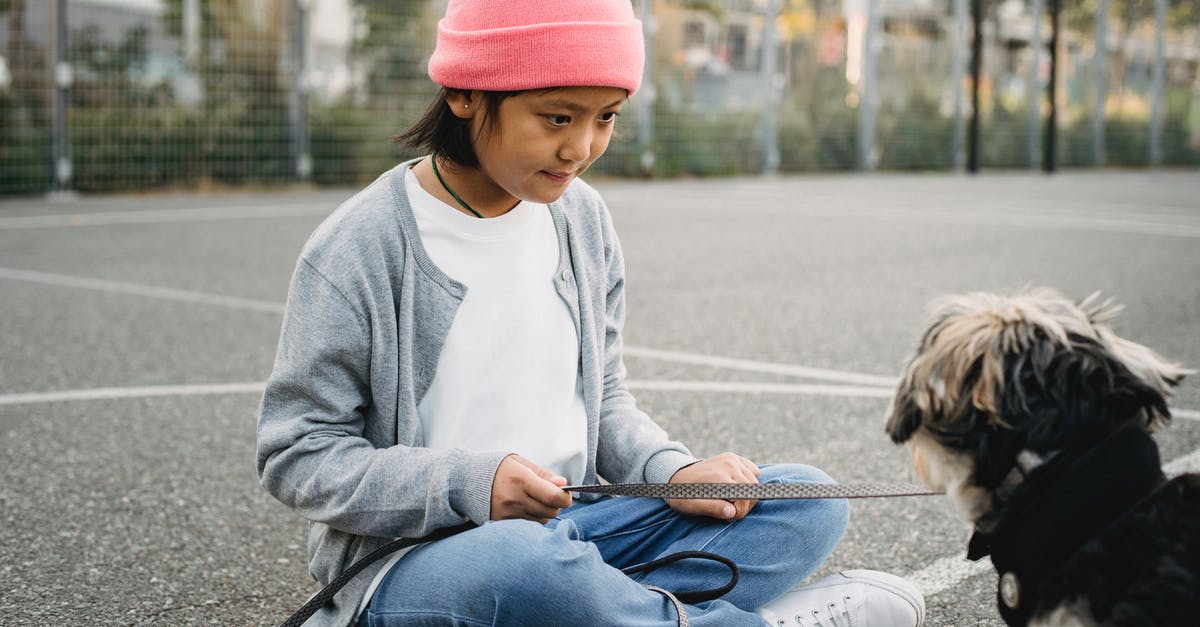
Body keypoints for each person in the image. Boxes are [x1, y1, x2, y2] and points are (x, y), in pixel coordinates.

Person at [256, 1, 926, 625]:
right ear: (463, 92)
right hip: (419, 563)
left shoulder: (582, 220)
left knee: (806, 500)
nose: (580, 148)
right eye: (557, 117)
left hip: (581, 533)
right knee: (523, 567)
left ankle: (618, 609)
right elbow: (299, 454)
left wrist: (670, 473)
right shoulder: (361, 246)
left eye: (605, 117)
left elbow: (603, 400)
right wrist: (467, 482)